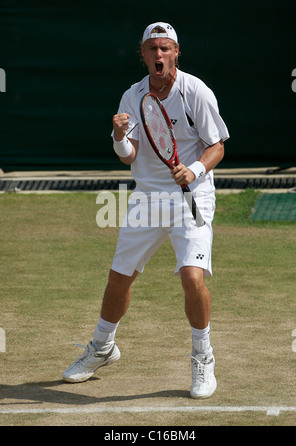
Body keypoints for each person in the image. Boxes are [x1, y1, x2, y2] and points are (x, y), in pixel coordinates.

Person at [62, 22, 229, 399]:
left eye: (165, 48)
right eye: (152, 48)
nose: (159, 55)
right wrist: (120, 137)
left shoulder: (195, 91)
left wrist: (196, 168)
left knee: (191, 276)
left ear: (176, 53)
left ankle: (203, 357)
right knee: (120, 277)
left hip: (191, 197)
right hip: (147, 199)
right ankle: (103, 347)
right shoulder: (132, 96)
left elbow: (217, 145)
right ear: (143, 54)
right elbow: (129, 156)